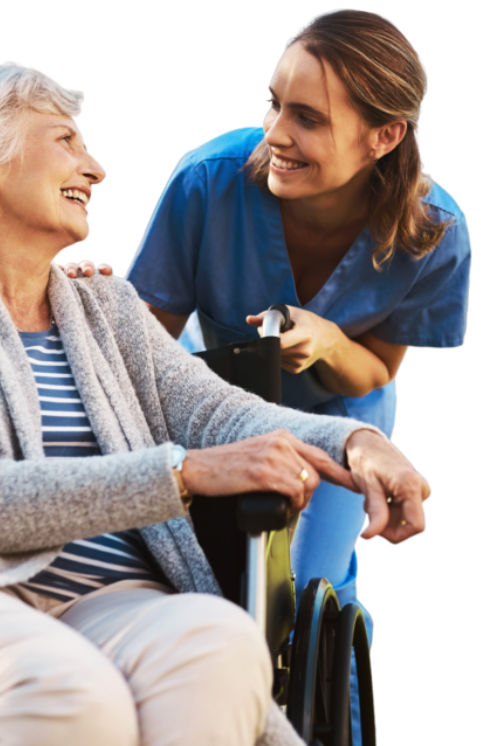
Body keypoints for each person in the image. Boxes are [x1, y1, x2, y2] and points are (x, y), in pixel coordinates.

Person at [0, 62, 431, 746]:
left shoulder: (102, 306)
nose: (95, 169)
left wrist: (353, 444)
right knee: (64, 695)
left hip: (112, 597)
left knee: (218, 651)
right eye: (65, 141)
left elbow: (220, 414)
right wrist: (181, 475)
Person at [64, 11, 469, 744]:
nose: (276, 133)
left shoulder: (435, 233)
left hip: (348, 408)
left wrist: (327, 340)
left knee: (309, 595)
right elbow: (141, 347)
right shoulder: (208, 180)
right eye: (273, 103)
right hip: (209, 395)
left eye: (308, 117)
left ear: (386, 136)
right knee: (203, 581)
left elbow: (377, 367)